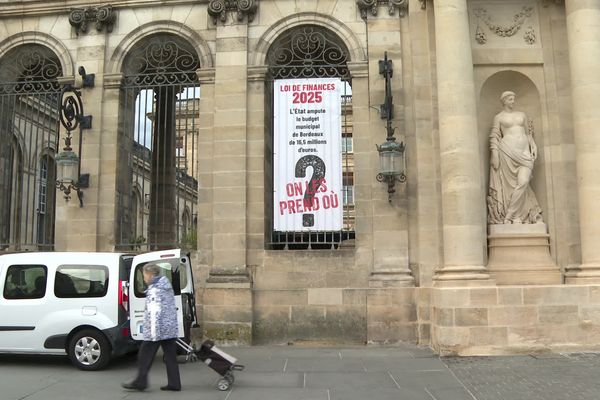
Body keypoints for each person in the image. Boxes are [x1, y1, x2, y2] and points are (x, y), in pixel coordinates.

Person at [122, 263, 181, 391]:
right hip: (169, 328)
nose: (144, 279)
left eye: (144, 275)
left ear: (150, 274)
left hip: (157, 330)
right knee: (170, 357)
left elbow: (155, 313)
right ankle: (174, 383)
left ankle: (140, 382)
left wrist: (153, 335)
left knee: (144, 354)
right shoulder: (165, 285)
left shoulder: (154, 290)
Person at [487, 91, 543, 224]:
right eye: (510, 99)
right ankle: (514, 216)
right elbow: (494, 136)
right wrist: (494, 154)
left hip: (524, 153)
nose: (513, 101)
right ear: (504, 101)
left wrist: (533, 146)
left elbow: (528, 133)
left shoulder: (521, 115)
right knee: (511, 186)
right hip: (507, 152)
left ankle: (510, 215)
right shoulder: (499, 117)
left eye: (513, 99)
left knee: (523, 182)